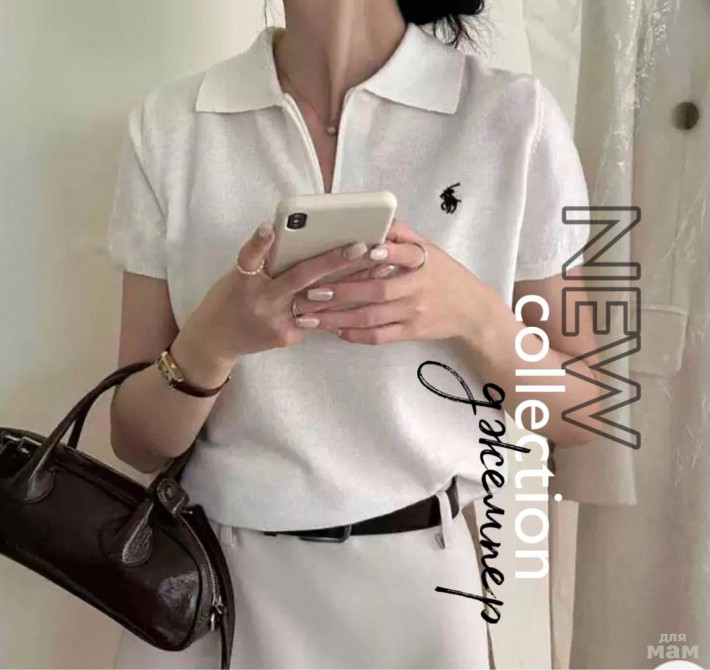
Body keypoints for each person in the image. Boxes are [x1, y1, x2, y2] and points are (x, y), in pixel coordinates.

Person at [106, 0, 600, 667]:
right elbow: (135, 442)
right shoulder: (173, 124)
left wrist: (473, 313)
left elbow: (587, 409)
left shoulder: (512, 118)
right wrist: (211, 341)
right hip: (212, 590)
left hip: (419, 595)